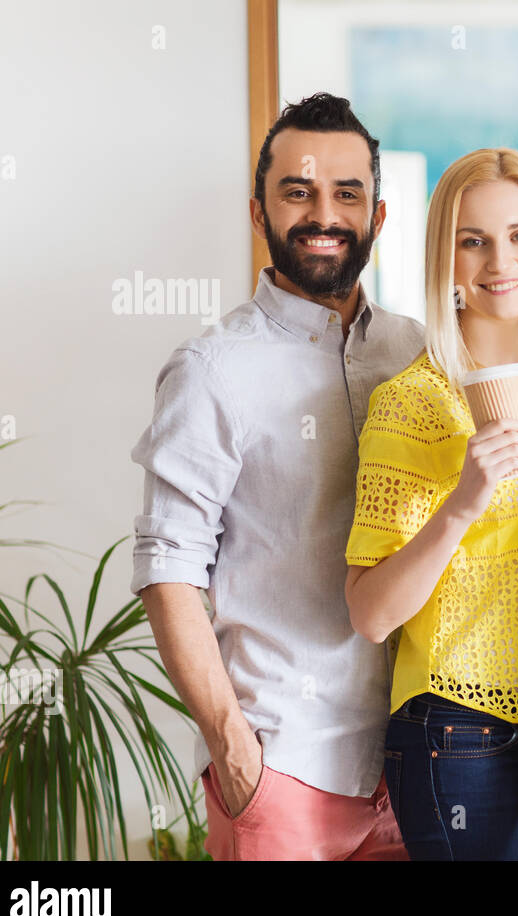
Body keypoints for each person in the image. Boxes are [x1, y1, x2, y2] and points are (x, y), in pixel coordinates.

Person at [131, 93, 423, 860]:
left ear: (379, 217)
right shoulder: (213, 370)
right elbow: (168, 568)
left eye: (346, 194)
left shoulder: (418, 353)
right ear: (259, 214)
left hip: (416, 769)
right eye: (298, 191)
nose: (323, 213)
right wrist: (234, 750)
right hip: (285, 770)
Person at [344, 148, 518, 861]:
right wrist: (463, 501)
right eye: (474, 240)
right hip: (461, 734)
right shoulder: (410, 404)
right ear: (446, 260)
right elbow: (370, 614)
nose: (501, 260)